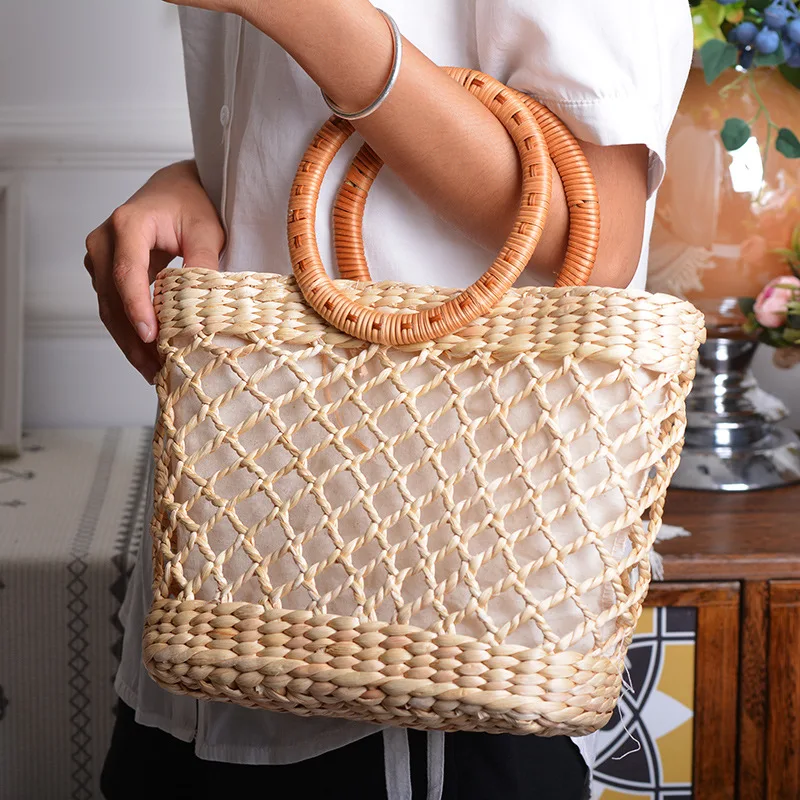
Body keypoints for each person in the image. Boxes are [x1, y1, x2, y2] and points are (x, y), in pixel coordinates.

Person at [88, 2, 693, 798]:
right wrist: (196, 184)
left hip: (418, 640)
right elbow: (285, 127)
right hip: (211, 592)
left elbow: (598, 233)